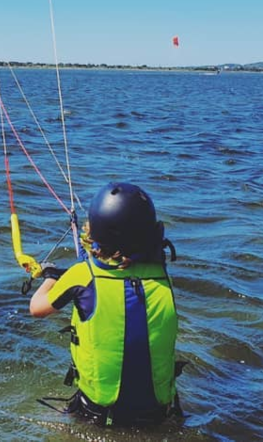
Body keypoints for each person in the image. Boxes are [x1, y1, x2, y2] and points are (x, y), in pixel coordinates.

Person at [29, 181, 181, 426]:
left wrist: (50, 277)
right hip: (157, 413)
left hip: (98, 414)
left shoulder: (82, 275)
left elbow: (37, 308)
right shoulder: (163, 276)